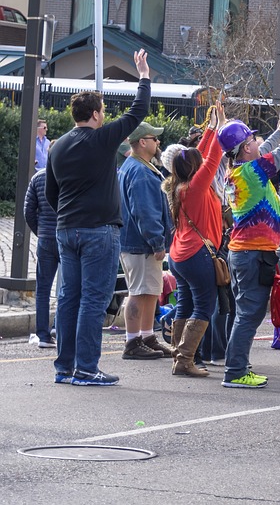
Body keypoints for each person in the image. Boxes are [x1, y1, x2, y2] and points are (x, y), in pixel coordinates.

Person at [45, 49, 153, 386]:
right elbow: (138, 113)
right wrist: (144, 76)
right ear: (94, 114)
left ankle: (65, 367)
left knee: (68, 299)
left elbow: (51, 192)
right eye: (103, 112)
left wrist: (67, 213)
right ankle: (87, 368)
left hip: (67, 228)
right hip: (99, 231)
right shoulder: (102, 138)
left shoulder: (57, 146)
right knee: (94, 300)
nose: (105, 116)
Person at [218, 90, 280, 389]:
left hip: (244, 252)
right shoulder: (252, 172)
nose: (256, 142)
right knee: (249, 314)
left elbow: (272, 148)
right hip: (253, 254)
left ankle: (236, 364)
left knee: (241, 312)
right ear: (244, 148)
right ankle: (236, 371)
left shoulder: (239, 170)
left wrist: (279, 130)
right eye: (252, 140)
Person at [164, 101, 229, 378]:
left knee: (186, 305)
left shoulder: (178, 185)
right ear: (195, 169)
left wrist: (211, 129)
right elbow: (212, 159)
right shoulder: (196, 187)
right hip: (196, 254)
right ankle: (186, 359)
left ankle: (179, 357)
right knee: (205, 306)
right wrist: (221, 128)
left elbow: (200, 155)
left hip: (179, 254)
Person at [117, 120, 175, 361]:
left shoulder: (136, 166)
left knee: (150, 290)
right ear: (143, 142)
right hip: (140, 243)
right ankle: (132, 341)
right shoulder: (140, 170)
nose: (158, 142)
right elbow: (145, 211)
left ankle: (147, 336)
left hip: (137, 242)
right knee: (139, 291)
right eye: (154, 138)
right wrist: (157, 241)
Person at [23, 164, 58, 348]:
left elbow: (28, 210)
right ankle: (59, 328)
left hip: (45, 238)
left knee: (43, 288)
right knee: (68, 287)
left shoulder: (38, 177)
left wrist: (40, 231)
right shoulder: (68, 174)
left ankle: (43, 335)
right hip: (66, 237)